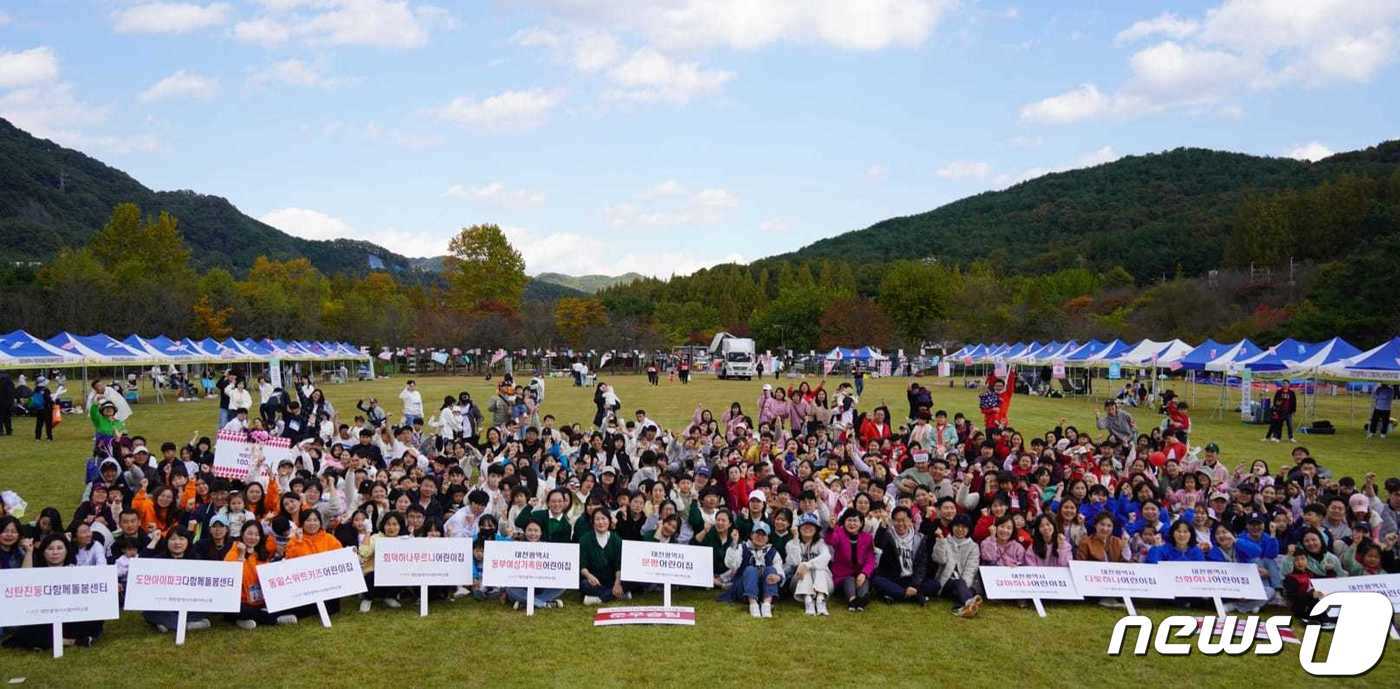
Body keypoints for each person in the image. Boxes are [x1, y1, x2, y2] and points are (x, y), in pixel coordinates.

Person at [3, 534, 104, 648]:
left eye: (59, 548)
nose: (55, 552)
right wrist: (29, 552)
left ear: (66, 551)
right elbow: (23, 582)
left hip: (70, 617)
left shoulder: (76, 571)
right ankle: (71, 641)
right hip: (44, 619)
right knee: (29, 630)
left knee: (95, 618)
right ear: (43, 552)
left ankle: (53, 641)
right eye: (50, 549)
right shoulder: (37, 573)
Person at [727, 521, 784, 618]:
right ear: (751, 535)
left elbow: (779, 569)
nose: (759, 537)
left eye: (763, 535)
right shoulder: (742, 547)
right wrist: (734, 543)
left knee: (771, 570)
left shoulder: (773, 552)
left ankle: (766, 604)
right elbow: (731, 564)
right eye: (757, 534)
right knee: (750, 570)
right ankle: (753, 604)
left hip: (763, 591)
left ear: (767, 538)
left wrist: (778, 577)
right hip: (743, 589)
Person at [826, 509, 875, 612]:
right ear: (844, 521)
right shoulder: (839, 533)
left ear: (861, 523)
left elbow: (870, 559)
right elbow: (830, 540)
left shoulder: (867, 538)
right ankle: (852, 600)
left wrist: (864, 573)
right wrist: (831, 528)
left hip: (859, 574)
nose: (852, 524)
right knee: (849, 580)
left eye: (855, 521)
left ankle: (862, 600)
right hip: (842, 577)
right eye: (849, 520)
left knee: (863, 579)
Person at [784, 513, 832, 615]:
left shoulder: (821, 543)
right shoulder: (791, 544)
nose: (808, 528)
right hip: (798, 583)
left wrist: (807, 565)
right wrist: (796, 538)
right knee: (806, 569)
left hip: (825, 583)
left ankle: (820, 599)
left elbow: (826, 556)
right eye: (804, 525)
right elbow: (795, 562)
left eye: (811, 525)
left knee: (818, 567)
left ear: (816, 529)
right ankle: (808, 600)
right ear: (799, 528)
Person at [579, 508, 625, 605]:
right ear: (593, 522)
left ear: (609, 520)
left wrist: (617, 583)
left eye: (603, 519)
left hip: (612, 579)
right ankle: (618, 594)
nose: (601, 522)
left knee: (630, 582)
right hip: (595, 581)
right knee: (584, 584)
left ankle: (598, 599)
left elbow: (619, 565)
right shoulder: (585, 539)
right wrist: (589, 576)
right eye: (597, 519)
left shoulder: (616, 539)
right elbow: (582, 566)